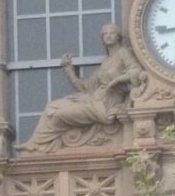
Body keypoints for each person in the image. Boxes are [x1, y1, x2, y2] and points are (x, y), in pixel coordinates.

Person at [25, 23, 143, 151]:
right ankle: (34, 143)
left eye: (111, 33)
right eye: (105, 34)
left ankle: (40, 145)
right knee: (51, 106)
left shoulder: (123, 53)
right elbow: (85, 87)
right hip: (92, 99)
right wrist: (69, 69)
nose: (108, 36)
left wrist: (117, 80)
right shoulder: (106, 62)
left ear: (118, 36)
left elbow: (136, 71)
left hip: (105, 105)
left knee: (58, 114)